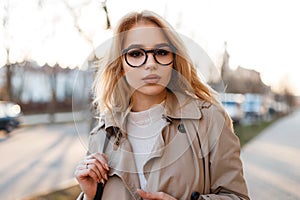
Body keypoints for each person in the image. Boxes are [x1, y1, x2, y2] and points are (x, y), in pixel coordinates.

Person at [74, 10, 249, 200]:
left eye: (162, 52)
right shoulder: (101, 135)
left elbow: (237, 196)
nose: (150, 64)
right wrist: (89, 196)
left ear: (173, 60)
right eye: (135, 53)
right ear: (120, 65)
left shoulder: (210, 120)